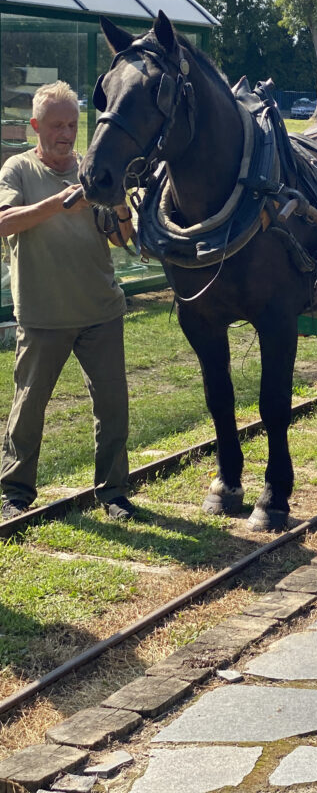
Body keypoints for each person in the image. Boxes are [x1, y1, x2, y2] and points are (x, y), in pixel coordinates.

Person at [0, 81, 136, 521]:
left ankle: (113, 493)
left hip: (101, 310)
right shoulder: (17, 170)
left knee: (113, 407)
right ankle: (16, 492)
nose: (66, 133)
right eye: (57, 125)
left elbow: (121, 237)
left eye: (73, 125)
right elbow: (3, 223)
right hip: (43, 314)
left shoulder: (90, 170)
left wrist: (119, 206)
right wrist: (57, 204)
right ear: (36, 125)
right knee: (29, 405)